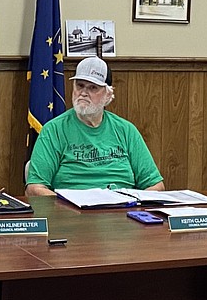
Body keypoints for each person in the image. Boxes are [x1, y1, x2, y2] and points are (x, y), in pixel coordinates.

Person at [25, 56, 164, 196]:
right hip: (72, 212)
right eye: (79, 85)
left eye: (93, 88)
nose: (84, 93)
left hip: (122, 210)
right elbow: (35, 188)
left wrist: (133, 202)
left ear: (108, 94)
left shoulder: (126, 130)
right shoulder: (53, 130)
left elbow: (156, 185)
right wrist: (66, 204)